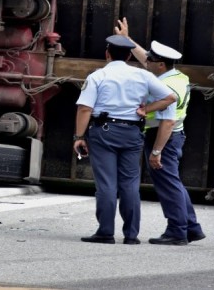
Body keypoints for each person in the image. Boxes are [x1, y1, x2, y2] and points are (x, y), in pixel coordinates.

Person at [73, 34, 176, 245]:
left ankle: (106, 232)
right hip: (132, 133)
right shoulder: (143, 75)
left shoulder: (98, 76)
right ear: (129, 55)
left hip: (104, 132)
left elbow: (85, 108)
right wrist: (146, 110)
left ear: (107, 54)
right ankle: (131, 235)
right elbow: (170, 98)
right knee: (130, 184)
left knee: (107, 184)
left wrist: (79, 137)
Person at [114, 17, 205, 246]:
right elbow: (144, 56)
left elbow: (167, 122)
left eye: (151, 60)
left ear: (160, 65)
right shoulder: (174, 76)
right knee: (173, 181)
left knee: (167, 184)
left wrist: (156, 152)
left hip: (164, 137)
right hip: (173, 136)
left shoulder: (166, 87)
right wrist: (127, 40)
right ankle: (191, 227)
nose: (146, 62)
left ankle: (177, 231)